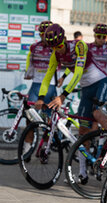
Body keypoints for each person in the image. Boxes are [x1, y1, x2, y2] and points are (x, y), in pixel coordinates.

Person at [35, 24, 107, 180]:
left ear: (64, 39)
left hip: (102, 83)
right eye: (53, 47)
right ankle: (82, 173)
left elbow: (78, 74)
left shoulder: (79, 46)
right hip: (86, 90)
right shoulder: (56, 54)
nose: (57, 49)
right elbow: (47, 77)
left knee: (97, 114)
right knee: (83, 132)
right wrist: (40, 97)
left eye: (59, 45)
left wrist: (63, 96)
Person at [23, 20, 56, 155]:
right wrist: (28, 72)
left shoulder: (56, 48)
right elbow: (29, 64)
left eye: (47, 33)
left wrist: (63, 77)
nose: (44, 36)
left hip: (50, 86)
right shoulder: (34, 47)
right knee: (29, 119)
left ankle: (44, 149)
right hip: (36, 85)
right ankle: (26, 149)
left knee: (50, 121)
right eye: (42, 33)